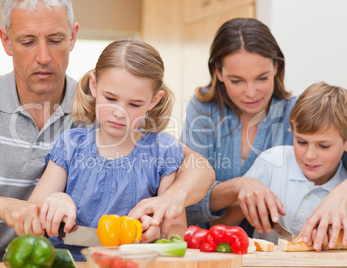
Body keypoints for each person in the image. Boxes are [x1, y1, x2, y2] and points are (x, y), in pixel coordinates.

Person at [0, 0, 214, 261]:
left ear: (73, 36)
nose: (43, 56)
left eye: (55, 39)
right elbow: (34, 214)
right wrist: (48, 202)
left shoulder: (145, 140)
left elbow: (196, 172)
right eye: (28, 41)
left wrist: (168, 206)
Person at [181, 17, 347, 249]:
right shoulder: (203, 111)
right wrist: (240, 187)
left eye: (262, 78)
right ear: (218, 72)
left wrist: (340, 196)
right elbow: (188, 197)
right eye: (237, 80)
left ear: (276, 67)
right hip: (223, 243)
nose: (251, 93)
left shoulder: (299, 112)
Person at [22, 39, 188, 260]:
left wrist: (157, 231)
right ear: (94, 86)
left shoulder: (163, 152)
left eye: (134, 104)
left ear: (154, 100)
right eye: (110, 98)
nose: (119, 112)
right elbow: (27, 221)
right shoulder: (71, 145)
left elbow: (177, 234)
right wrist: (56, 200)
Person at [209, 82, 347, 246]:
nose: (310, 155)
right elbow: (219, 225)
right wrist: (248, 206)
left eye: (324, 146)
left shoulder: (342, 190)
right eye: (301, 142)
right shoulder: (273, 161)